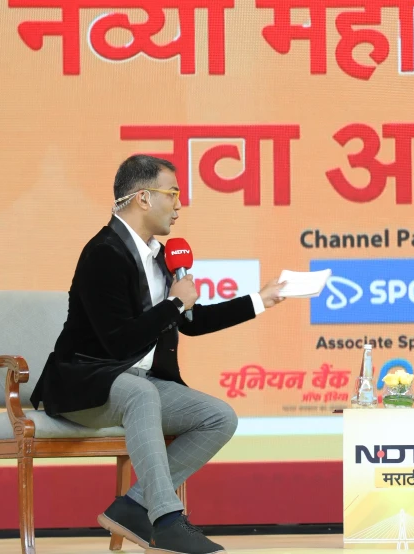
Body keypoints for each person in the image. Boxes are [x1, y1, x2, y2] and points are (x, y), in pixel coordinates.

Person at [29, 154, 286, 554]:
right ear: (143, 198)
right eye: (173, 194)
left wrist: (260, 300)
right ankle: (166, 521)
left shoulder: (162, 257)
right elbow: (118, 343)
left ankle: (134, 506)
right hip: (86, 385)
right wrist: (174, 303)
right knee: (142, 394)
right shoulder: (103, 254)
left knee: (218, 417)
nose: (179, 206)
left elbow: (191, 322)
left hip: (138, 386)